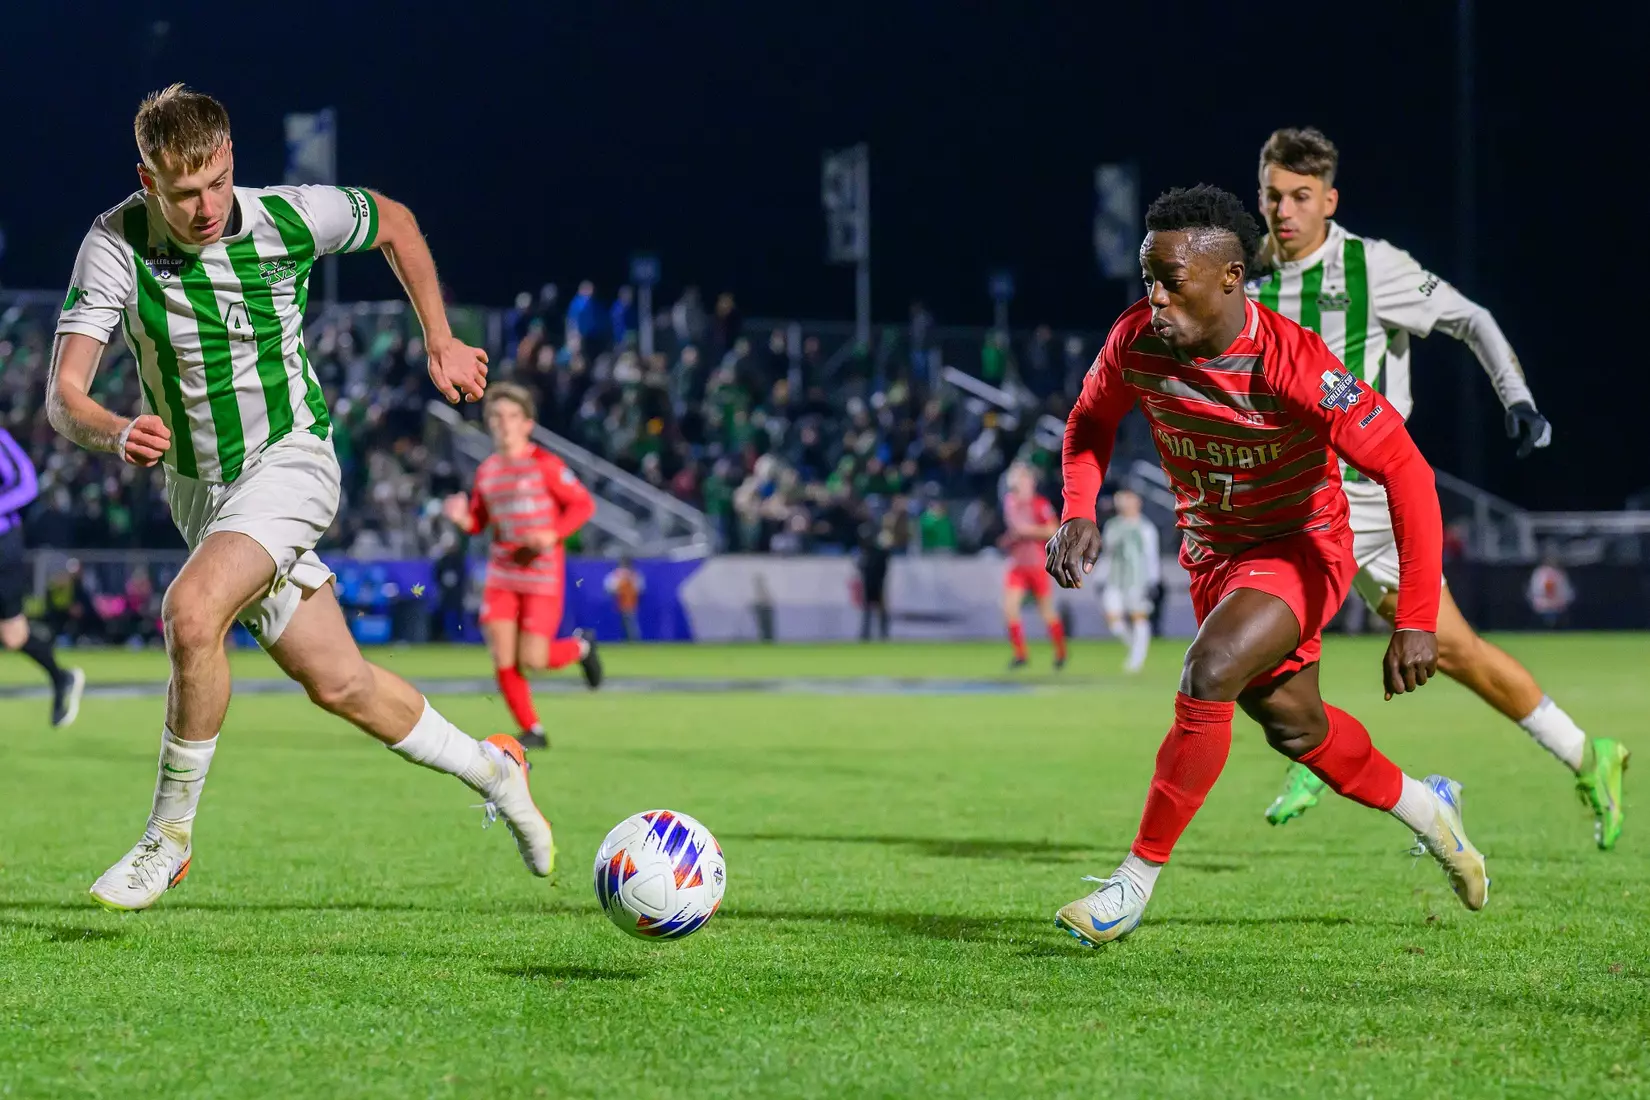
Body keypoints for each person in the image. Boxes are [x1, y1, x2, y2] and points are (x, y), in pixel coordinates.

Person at [48, 85, 554, 912]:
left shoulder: (288, 216)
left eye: (216, 181)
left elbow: (393, 219)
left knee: (190, 613)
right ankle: (494, 766)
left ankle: (167, 839)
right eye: (183, 193)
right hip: (202, 497)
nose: (206, 206)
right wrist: (112, 429)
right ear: (147, 181)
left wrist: (441, 336)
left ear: (231, 160)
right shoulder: (113, 245)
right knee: (340, 682)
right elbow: (64, 394)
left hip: (292, 461)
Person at [1047, 185, 1485, 947]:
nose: (1153, 297)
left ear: (1229, 278)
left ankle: (1132, 883)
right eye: (1146, 279)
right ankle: (1428, 807)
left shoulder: (1295, 363)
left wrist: (1416, 617)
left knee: (1209, 670)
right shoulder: (1135, 344)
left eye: (1169, 281)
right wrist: (1078, 508)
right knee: (1295, 727)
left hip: (1300, 547)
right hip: (1215, 554)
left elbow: (1408, 473)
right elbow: (1089, 421)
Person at [1248, 127, 1628, 848]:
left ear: (1329, 200)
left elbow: (1470, 318)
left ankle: (1321, 749)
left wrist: (1517, 398)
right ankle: (1582, 753)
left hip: (1368, 498)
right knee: (1403, 641)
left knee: (1300, 631)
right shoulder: (1255, 280)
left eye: (1301, 196)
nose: (1285, 211)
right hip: (1296, 494)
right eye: (1273, 195)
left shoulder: (1371, 267)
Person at [443, 382, 602, 751]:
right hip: (502, 574)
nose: (504, 424)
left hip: (542, 574)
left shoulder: (545, 466)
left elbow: (582, 505)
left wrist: (552, 535)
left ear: (528, 424)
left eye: (513, 416)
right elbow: (481, 523)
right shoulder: (487, 473)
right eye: (496, 417)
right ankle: (533, 729)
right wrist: (462, 518)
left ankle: (581, 648)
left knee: (532, 658)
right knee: (502, 652)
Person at [0, 427, 86, 726]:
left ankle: (61, 677)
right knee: (13, 636)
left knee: (13, 636)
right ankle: (61, 677)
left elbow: (26, 483)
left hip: (2, 545)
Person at [1000, 463, 1067, 670]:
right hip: (1018, 564)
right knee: (1010, 608)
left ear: (1031, 482)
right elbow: (1014, 529)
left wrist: (1027, 531)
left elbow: (1053, 529)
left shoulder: (1040, 504)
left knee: (1046, 610)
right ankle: (1020, 654)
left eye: (1022, 478)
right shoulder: (1010, 503)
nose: (1019, 482)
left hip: (1037, 563)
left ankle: (1060, 652)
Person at [1098, 488, 1160, 673]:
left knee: (1138, 616)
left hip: (1137, 579)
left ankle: (1137, 658)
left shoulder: (1146, 528)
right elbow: (1107, 554)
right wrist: (1100, 576)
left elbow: (1151, 556)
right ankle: (1135, 648)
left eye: (1127, 499)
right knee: (1114, 621)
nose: (1123, 503)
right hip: (1114, 579)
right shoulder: (1112, 526)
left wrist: (1153, 580)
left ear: (1136, 502)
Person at [604, 554, 645, 642]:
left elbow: (639, 588)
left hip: (627, 601)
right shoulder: (620, 574)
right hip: (618, 601)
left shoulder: (631, 574)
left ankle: (633, 640)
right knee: (626, 621)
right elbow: (640, 588)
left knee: (629, 621)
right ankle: (628, 640)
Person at [1527, 554, 1574, 629]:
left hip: (1558, 606)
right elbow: (1534, 591)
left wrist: (1558, 602)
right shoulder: (1539, 573)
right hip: (1542, 605)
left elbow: (1567, 593)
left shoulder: (1560, 574)